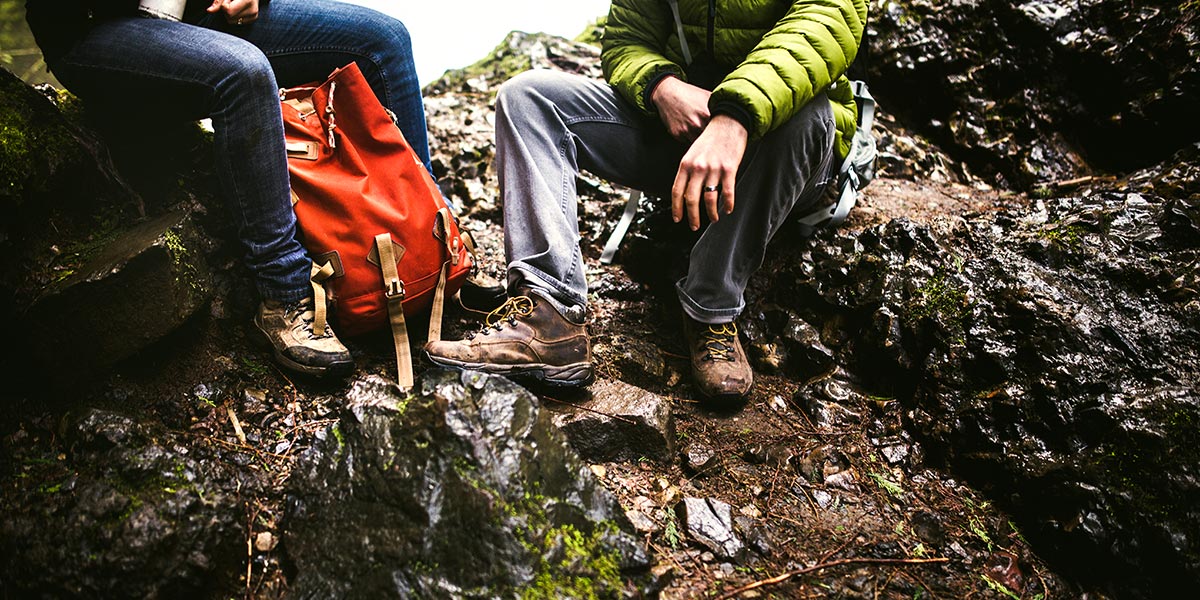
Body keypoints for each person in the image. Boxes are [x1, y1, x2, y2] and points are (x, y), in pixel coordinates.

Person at [425, 0, 867, 403]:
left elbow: (824, 25)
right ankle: (550, 315)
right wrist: (662, 86)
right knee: (527, 98)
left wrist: (735, 117)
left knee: (808, 116)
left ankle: (710, 308)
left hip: (786, 149)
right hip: (688, 131)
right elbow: (626, 38)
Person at [24, 0, 435, 379]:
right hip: (96, 27)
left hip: (200, 14)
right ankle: (283, 295)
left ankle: (435, 240)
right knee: (244, 72)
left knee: (384, 39)